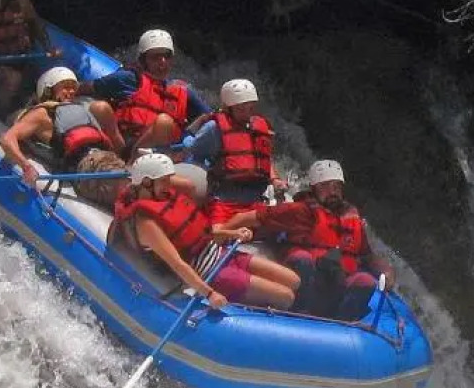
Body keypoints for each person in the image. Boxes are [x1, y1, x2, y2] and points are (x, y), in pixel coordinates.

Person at [110, 153, 299, 310]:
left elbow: (203, 234)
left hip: (222, 253)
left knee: (293, 280)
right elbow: (178, 264)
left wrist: (233, 234)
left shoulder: (165, 197)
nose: (169, 185)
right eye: (164, 181)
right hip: (211, 273)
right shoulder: (146, 222)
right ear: (147, 183)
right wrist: (210, 293)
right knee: (286, 296)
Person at [224, 159, 392, 320]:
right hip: (305, 284)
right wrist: (222, 234)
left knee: (365, 281)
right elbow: (247, 217)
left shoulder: (352, 217)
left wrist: (387, 271)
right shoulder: (300, 211)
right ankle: (296, 315)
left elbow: (368, 256)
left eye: (336, 186)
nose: (332, 192)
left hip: (337, 286)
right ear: (314, 188)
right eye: (325, 186)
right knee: (302, 259)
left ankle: (342, 326)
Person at [0, 67, 129, 208]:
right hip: (89, 167)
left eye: (73, 88)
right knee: (129, 190)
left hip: (108, 159)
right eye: (65, 87)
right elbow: (7, 139)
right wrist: (26, 167)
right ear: (48, 90)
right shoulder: (42, 114)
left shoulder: (79, 109)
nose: (71, 92)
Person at [90, 29, 214, 155]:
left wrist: (189, 134)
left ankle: (132, 162)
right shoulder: (127, 78)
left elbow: (211, 118)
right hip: (121, 144)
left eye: (167, 56)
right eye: (156, 57)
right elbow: (84, 88)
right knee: (99, 107)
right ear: (143, 60)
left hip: (158, 155)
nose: (163, 62)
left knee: (164, 122)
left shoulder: (183, 92)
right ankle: (120, 159)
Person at [184, 78, 288, 224]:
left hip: (256, 202)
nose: (247, 114)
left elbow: (262, 159)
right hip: (224, 201)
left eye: (250, 108)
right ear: (228, 108)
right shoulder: (214, 128)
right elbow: (193, 156)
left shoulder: (258, 127)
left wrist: (275, 180)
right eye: (241, 109)